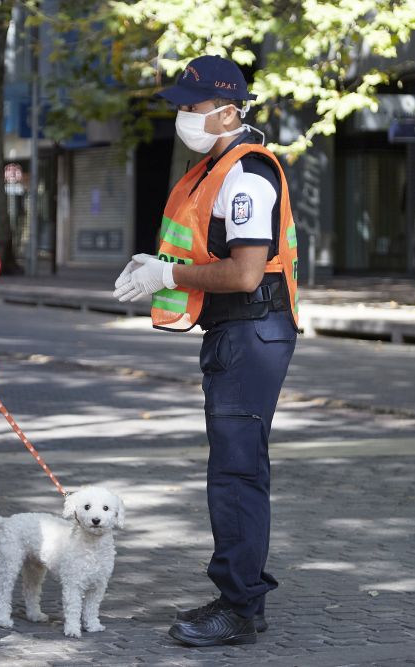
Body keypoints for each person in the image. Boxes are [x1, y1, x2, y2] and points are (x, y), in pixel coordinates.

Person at [113, 55, 299, 647]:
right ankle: (240, 596)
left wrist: (170, 277)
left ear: (226, 111)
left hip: (250, 330)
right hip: (237, 334)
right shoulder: (216, 168)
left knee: (237, 474)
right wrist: (166, 269)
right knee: (235, 469)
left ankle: (241, 607)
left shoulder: (245, 175)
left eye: (191, 106)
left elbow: (245, 273)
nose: (183, 116)